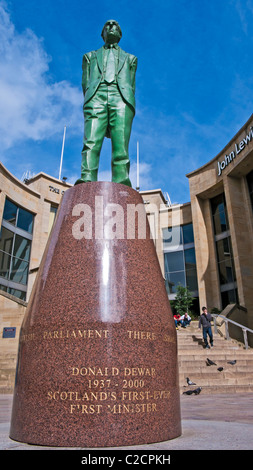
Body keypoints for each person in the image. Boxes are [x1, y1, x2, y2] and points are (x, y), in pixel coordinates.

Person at [75, 19, 137, 187]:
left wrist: (126, 99)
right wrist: (91, 98)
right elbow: (85, 83)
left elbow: (131, 84)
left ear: (120, 34)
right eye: (107, 25)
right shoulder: (89, 57)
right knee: (91, 141)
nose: (111, 25)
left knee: (121, 146)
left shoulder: (131, 59)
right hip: (96, 96)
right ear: (102, 34)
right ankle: (87, 178)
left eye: (115, 25)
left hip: (121, 98)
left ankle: (122, 181)